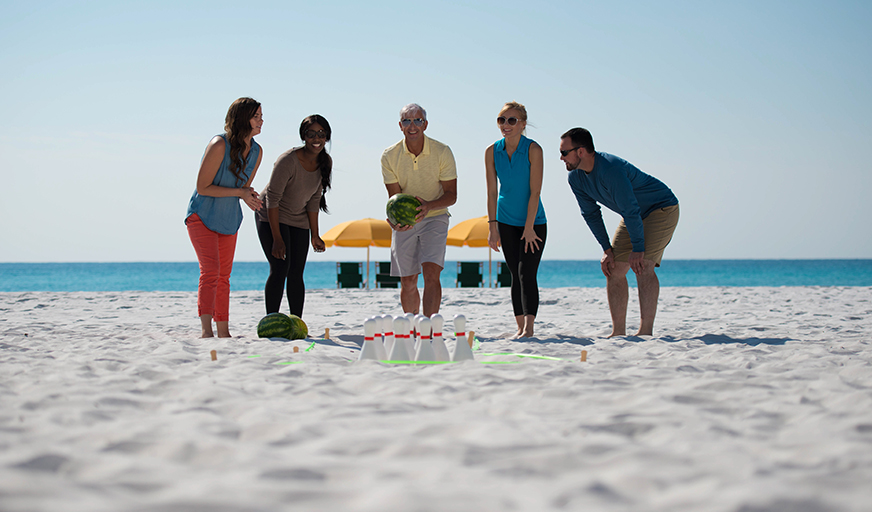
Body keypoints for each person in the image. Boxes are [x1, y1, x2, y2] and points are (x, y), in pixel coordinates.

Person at [560, 127, 679, 337]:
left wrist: (639, 249)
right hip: (632, 214)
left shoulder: (610, 169)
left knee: (643, 265)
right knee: (613, 268)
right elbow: (591, 214)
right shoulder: (575, 178)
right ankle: (618, 332)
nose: (561, 158)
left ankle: (645, 331)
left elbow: (630, 209)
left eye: (564, 152)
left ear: (580, 151)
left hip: (661, 208)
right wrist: (607, 249)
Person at [185, 97, 264, 338]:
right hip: (202, 215)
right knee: (211, 272)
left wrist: (250, 197)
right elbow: (203, 187)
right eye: (256, 116)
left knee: (224, 277)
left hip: (229, 220)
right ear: (242, 118)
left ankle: (223, 332)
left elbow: (243, 188)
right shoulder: (218, 144)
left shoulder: (257, 151)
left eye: (261, 116)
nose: (262, 121)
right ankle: (206, 331)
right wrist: (240, 192)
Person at [381, 103, 457, 316]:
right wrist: (396, 220)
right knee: (408, 280)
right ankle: (412, 326)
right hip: (406, 223)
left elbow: (452, 195)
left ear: (425, 124)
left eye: (417, 120)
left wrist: (428, 206)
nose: (412, 125)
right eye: (407, 120)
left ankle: (429, 328)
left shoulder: (442, 151)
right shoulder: (389, 156)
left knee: (432, 273)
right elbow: (394, 198)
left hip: (436, 216)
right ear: (400, 125)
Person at [255, 115, 331, 318]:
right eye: (311, 133)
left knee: (296, 273)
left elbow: (315, 199)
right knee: (280, 268)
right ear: (303, 136)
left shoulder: (325, 161)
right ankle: (272, 321)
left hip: (299, 219)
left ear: (327, 137)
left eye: (321, 134)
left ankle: (296, 321)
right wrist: (277, 238)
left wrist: (315, 235)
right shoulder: (288, 160)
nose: (316, 138)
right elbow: (272, 199)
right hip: (271, 215)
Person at [485, 101, 547, 338]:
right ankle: (520, 327)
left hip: (534, 222)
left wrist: (530, 227)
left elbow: (535, 192)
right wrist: (493, 227)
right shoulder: (492, 151)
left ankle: (529, 328)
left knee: (526, 273)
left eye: (511, 120)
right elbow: (491, 192)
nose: (505, 125)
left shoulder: (533, 150)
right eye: (501, 120)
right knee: (514, 274)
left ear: (522, 124)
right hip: (505, 222)